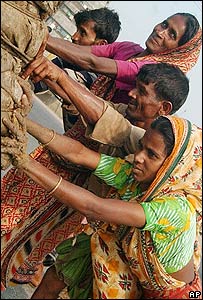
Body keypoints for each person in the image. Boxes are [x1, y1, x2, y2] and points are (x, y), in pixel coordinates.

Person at [1, 62, 190, 289]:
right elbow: (80, 153)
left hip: (167, 291)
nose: (138, 157)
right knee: (52, 280)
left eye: (150, 154)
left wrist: (24, 162)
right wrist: (21, 123)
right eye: (140, 148)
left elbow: (94, 206)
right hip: (111, 248)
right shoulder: (131, 172)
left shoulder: (173, 208)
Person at [45, 12, 202, 105]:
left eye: (171, 34)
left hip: (106, 138)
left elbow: (92, 62)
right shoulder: (129, 48)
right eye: (164, 24)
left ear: (177, 51)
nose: (160, 32)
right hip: (83, 121)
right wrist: (43, 35)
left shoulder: (153, 73)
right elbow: (83, 52)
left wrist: (39, 38)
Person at [35, 7, 121, 130]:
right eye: (77, 30)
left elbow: (52, 75)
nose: (74, 37)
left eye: (83, 33)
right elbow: (36, 80)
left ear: (101, 45)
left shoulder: (99, 79)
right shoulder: (67, 61)